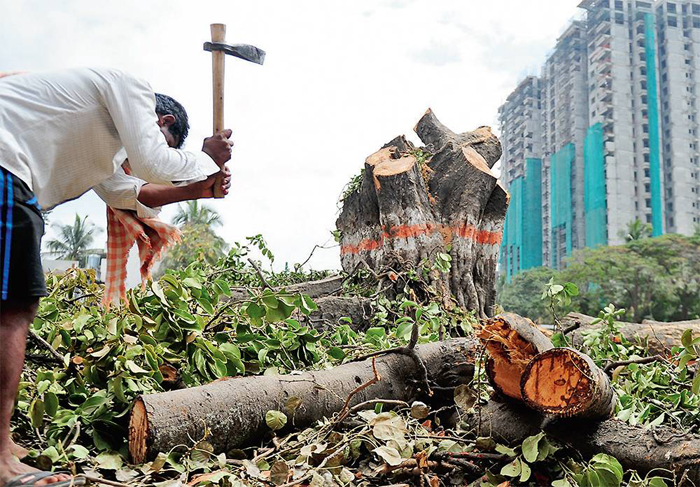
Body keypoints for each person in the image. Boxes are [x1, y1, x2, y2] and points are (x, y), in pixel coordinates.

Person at [0, 68, 233, 486]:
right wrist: (207, 158)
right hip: (3, 163)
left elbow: (131, 192)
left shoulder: (104, 146)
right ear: (162, 123)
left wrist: (196, 189)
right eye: (168, 144)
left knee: (13, 306)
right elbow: (153, 163)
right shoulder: (131, 87)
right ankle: (0, 458)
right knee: (11, 309)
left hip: (12, 170)